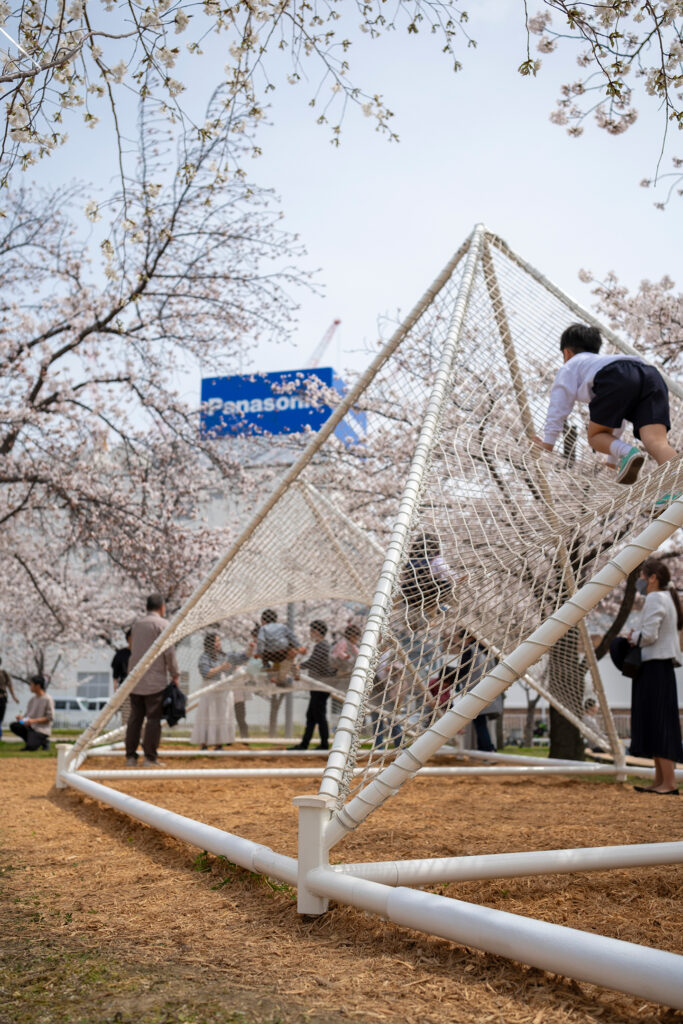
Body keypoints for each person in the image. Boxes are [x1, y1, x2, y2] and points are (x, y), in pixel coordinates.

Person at [533, 323, 677, 490]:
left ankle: (628, 452)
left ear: (567, 353)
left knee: (595, 436)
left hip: (615, 376)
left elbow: (558, 405)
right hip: (651, 376)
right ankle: (675, 490)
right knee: (657, 443)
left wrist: (548, 443)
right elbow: (618, 417)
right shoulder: (601, 362)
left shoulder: (571, 365)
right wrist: (612, 461)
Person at [627, 558, 683, 795]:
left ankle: (668, 783)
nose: (639, 581)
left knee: (659, 723)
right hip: (661, 668)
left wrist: (632, 637)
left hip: (654, 668)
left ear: (652, 578)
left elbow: (649, 635)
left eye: (642, 576)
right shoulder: (667, 598)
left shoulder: (655, 598)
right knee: (658, 722)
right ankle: (661, 780)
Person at [125, 593, 179, 767]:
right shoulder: (163, 624)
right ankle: (150, 757)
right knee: (153, 720)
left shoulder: (137, 625)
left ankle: (130, 757)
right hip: (155, 680)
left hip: (135, 679)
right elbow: (169, 652)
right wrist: (175, 673)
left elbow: (133, 650)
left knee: (135, 719)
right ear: (162, 607)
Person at [290, 620, 334, 750]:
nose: (310, 634)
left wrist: (299, 666)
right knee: (312, 715)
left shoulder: (322, 645)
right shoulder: (322, 645)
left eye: (311, 631)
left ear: (316, 631)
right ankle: (306, 743)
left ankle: (323, 744)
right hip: (318, 685)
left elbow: (314, 662)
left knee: (318, 714)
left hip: (321, 685)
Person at [192, 632, 235, 750]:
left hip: (223, 690)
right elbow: (206, 673)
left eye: (219, 641)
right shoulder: (204, 657)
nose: (219, 643)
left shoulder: (224, 656)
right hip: (210, 690)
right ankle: (204, 743)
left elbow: (231, 669)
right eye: (216, 641)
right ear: (210, 643)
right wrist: (221, 667)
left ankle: (219, 743)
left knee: (221, 715)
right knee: (208, 714)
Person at [256, 609, 301, 685]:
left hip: (271, 653)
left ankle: (269, 669)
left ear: (263, 620)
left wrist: (260, 652)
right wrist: (298, 646)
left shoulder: (263, 628)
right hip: (284, 651)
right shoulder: (282, 627)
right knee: (289, 658)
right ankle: (294, 671)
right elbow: (292, 637)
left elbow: (260, 641)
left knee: (268, 660)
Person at [10, 675, 53, 751]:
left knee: (31, 748)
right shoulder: (32, 700)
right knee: (14, 725)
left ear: (38, 686)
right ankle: (33, 741)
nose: (30, 687)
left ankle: (43, 741)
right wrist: (22, 719)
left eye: (31, 685)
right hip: (30, 727)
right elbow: (28, 717)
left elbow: (50, 718)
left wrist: (34, 721)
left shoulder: (47, 699)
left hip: (41, 729)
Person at [111, 628, 132, 727]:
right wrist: (116, 692)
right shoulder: (121, 654)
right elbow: (115, 676)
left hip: (143, 688)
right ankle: (128, 740)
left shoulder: (146, 652)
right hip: (126, 689)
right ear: (128, 638)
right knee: (127, 718)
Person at [0, 655, 19, 740]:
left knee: (0, 718)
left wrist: (14, 696)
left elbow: (9, 685)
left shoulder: (4, 673)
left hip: (2, 697)